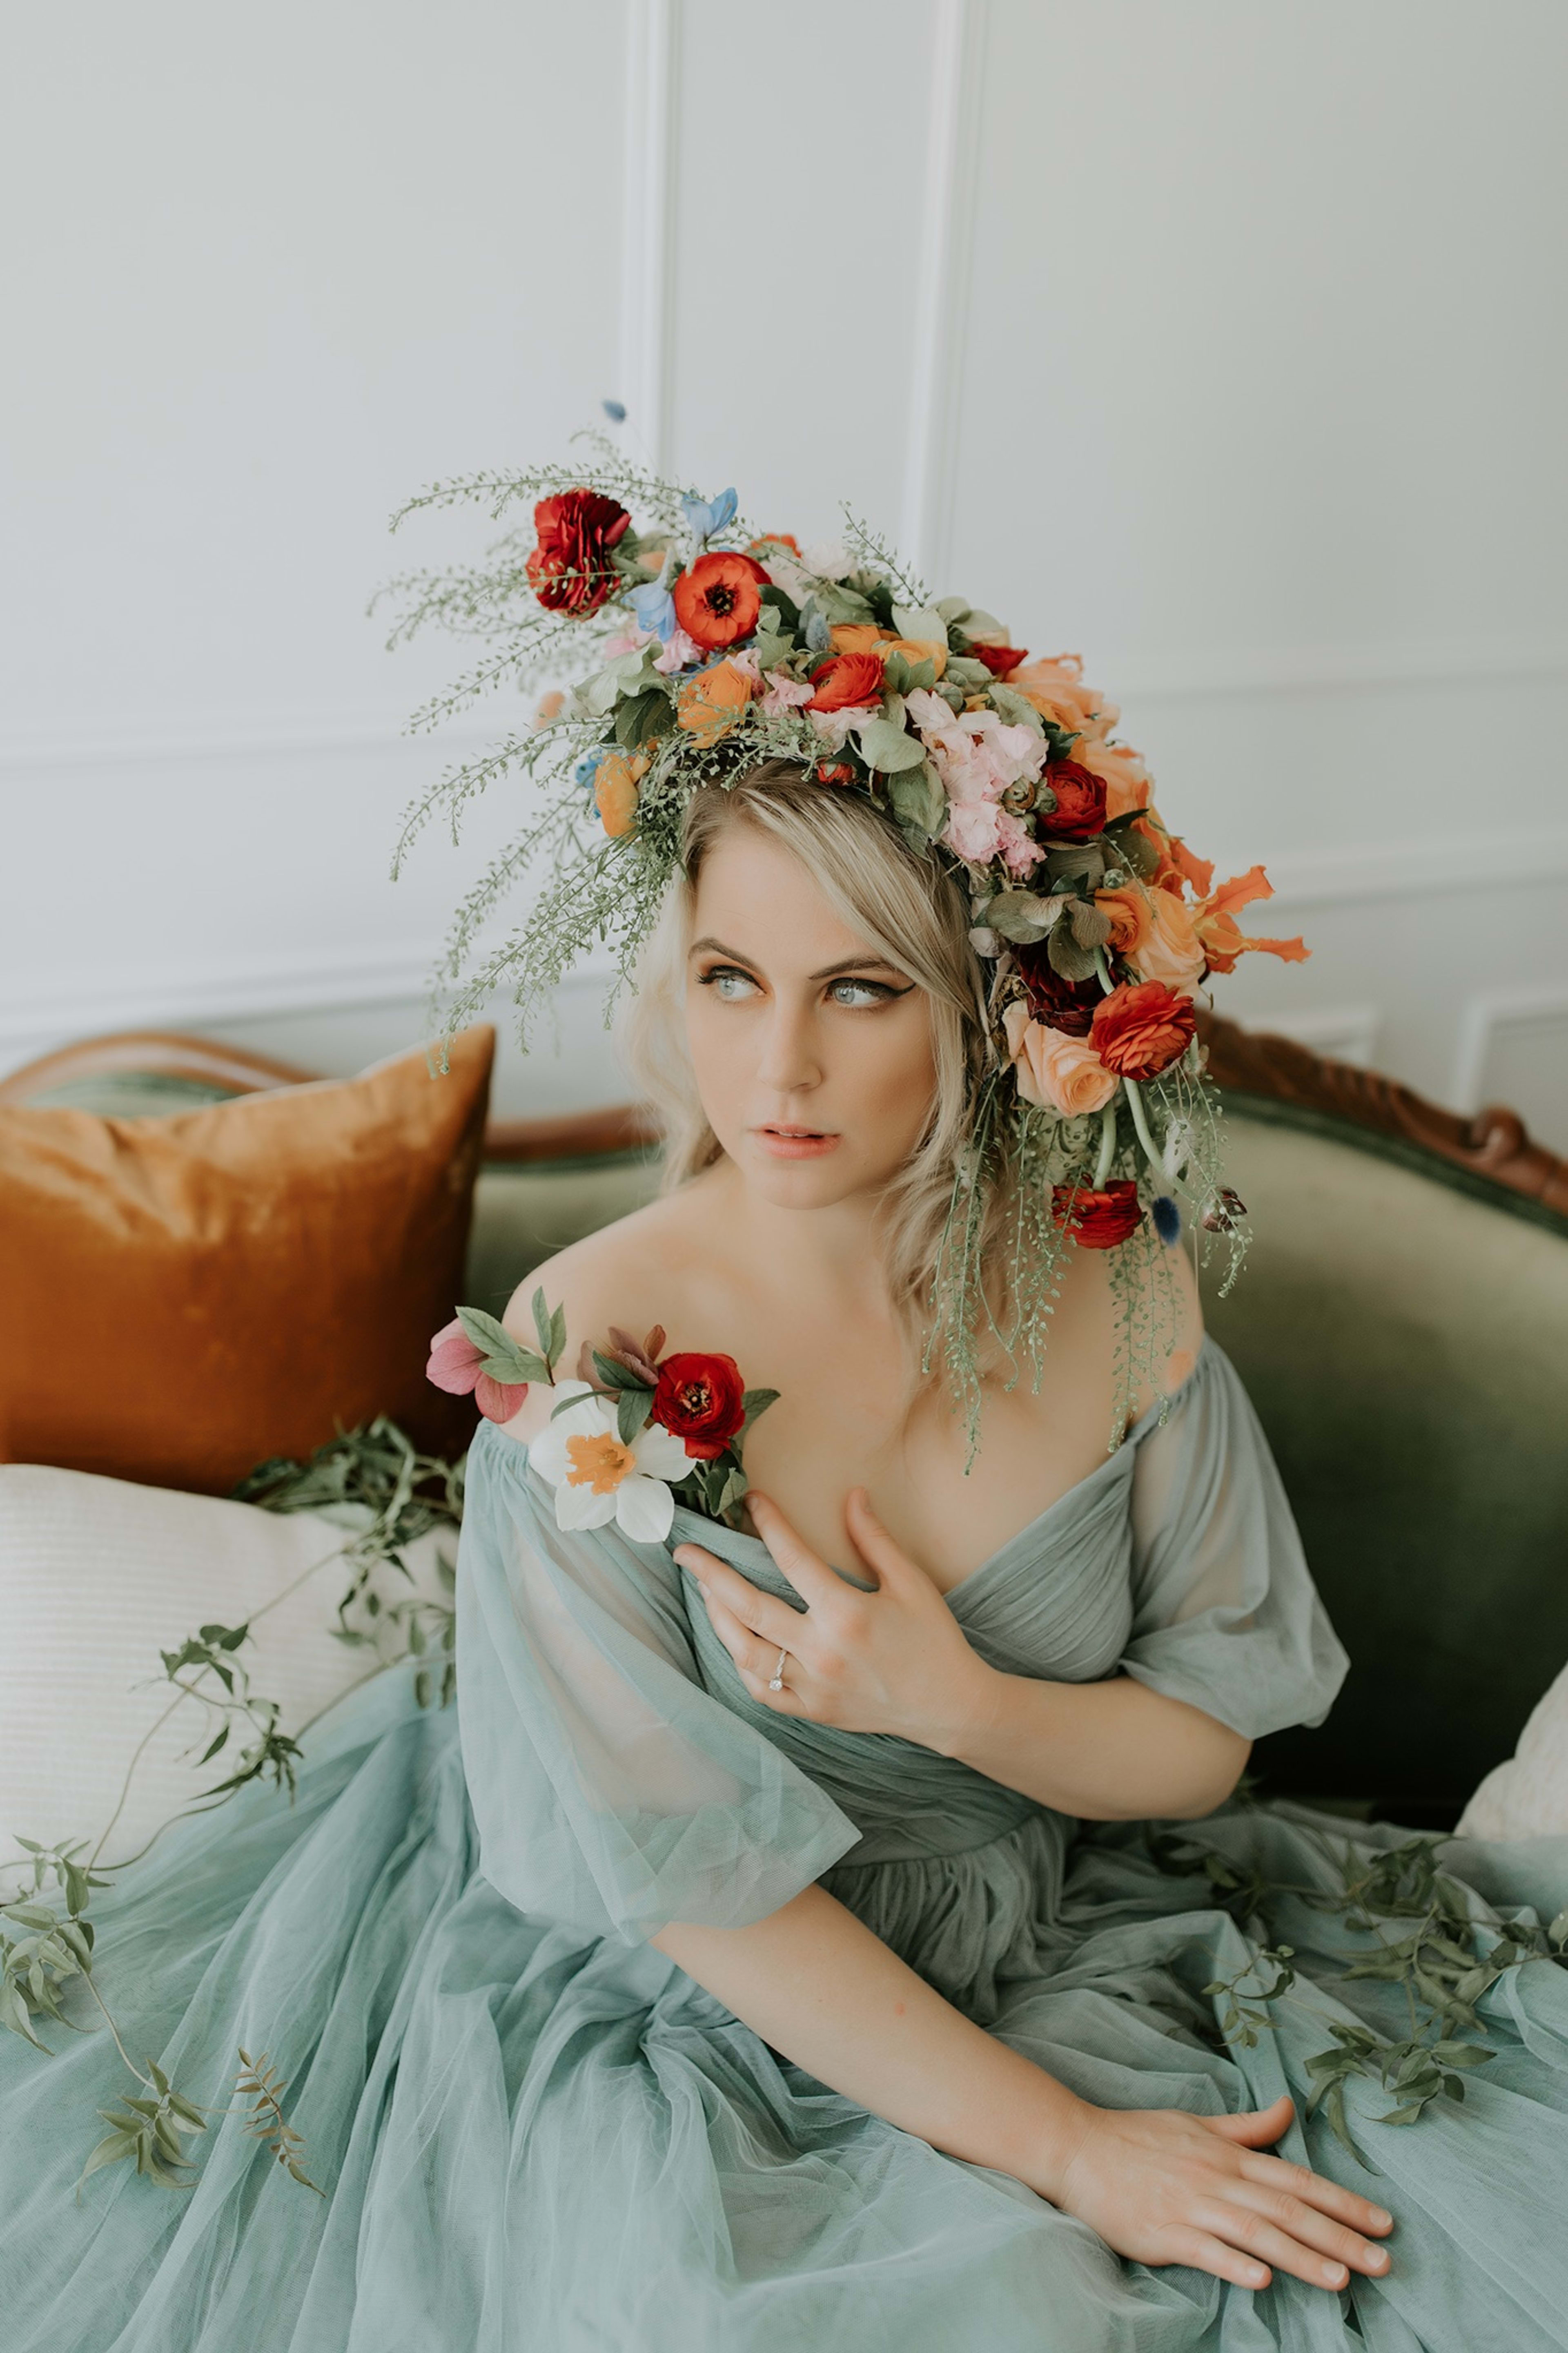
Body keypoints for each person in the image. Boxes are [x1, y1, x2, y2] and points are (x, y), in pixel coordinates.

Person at [2, 477, 1566, 2351]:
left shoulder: (1125, 1286)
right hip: (690, 2005)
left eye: (859, 991)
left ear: (985, 1008)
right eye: (732, 982)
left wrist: (959, 1705)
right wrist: (1073, 2150)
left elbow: (1204, 1746)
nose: (780, 1071)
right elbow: (702, 1898)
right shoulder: (591, 1339)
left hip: (1070, 1927)